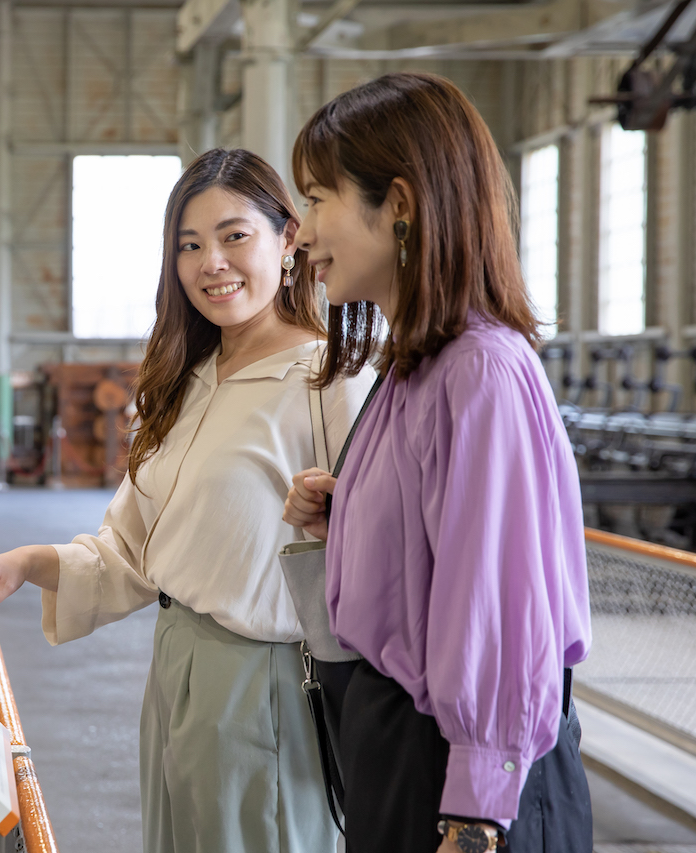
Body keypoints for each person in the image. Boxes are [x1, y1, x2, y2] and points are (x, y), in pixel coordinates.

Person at [0, 148, 375, 853]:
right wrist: (27, 560)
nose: (212, 262)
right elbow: (132, 546)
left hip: (265, 684)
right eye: (190, 244)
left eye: (235, 236)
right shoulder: (188, 379)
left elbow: (377, 555)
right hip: (175, 667)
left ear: (288, 237)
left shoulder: (328, 379)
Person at [282, 71, 593, 853]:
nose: (302, 232)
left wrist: (474, 816)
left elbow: (500, 608)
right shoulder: (413, 366)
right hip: (400, 744)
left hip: (459, 777)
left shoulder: (479, 370)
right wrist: (349, 514)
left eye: (318, 199)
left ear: (401, 204)